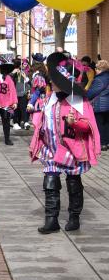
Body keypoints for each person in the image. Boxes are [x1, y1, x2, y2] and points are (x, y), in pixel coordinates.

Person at [30, 52, 100, 234]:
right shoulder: (49, 99)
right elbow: (44, 119)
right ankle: (51, 220)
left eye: (54, 80)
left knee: (73, 182)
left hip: (71, 150)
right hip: (50, 149)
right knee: (50, 182)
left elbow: (88, 126)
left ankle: (74, 217)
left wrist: (73, 122)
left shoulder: (78, 101)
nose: (50, 83)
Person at [86, 60, 109, 151]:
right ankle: (106, 142)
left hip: (100, 105)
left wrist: (85, 96)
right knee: (107, 124)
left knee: (100, 124)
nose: (95, 70)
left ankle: (102, 144)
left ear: (100, 69)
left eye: (96, 68)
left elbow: (92, 92)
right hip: (107, 105)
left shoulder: (99, 79)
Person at [11, 59, 31, 130]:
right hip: (14, 94)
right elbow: (9, 80)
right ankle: (16, 123)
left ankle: (25, 122)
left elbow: (28, 83)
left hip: (23, 94)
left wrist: (28, 92)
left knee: (23, 108)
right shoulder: (12, 73)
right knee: (15, 109)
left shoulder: (23, 73)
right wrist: (13, 73)